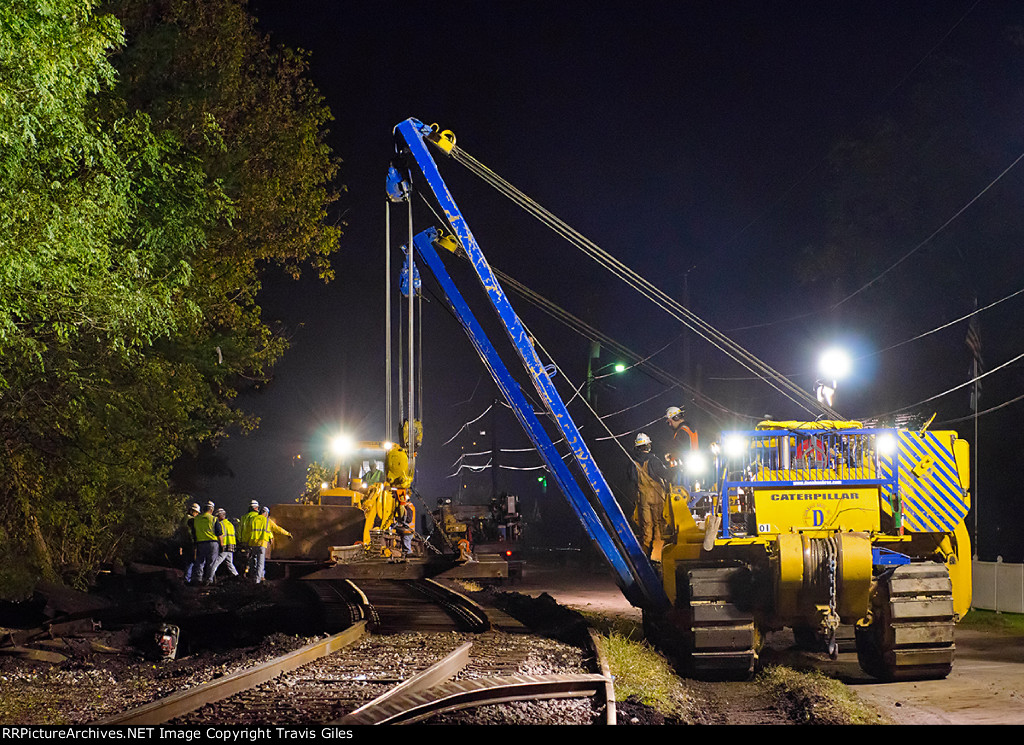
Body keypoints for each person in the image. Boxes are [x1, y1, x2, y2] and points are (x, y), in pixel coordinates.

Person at [626, 432, 670, 561]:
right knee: (659, 526)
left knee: (646, 527)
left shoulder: (633, 463)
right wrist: (676, 468)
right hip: (657, 496)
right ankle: (657, 558)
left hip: (643, 498)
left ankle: (645, 557)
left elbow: (632, 479)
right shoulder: (654, 460)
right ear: (648, 446)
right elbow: (665, 474)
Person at [664, 406, 699, 485]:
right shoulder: (689, 429)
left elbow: (682, 449)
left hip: (683, 471)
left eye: (670, 421)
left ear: (676, 418)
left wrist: (671, 456)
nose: (670, 424)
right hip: (690, 469)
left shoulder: (682, 431)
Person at [190, 501, 220, 585]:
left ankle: (198, 579)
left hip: (200, 543)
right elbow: (219, 533)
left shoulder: (196, 519)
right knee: (211, 563)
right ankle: (208, 580)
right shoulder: (214, 519)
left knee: (199, 562)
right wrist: (222, 544)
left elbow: (193, 532)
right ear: (211, 509)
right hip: (212, 543)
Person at [210, 508, 239, 581]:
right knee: (229, 564)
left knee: (215, 563)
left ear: (220, 516)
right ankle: (237, 577)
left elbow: (219, 535)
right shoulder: (230, 524)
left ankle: (209, 579)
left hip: (224, 547)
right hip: (231, 546)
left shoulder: (220, 524)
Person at [236, 500, 260, 580]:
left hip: (244, 542)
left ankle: (243, 575)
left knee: (244, 559)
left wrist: (240, 540)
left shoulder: (243, 517)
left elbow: (239, 530)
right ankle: (253, 576)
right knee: (254, 559)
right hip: (254, 541)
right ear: (256, 508)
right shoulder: (258, 517)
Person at [182, 503, 200, 584]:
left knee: (188, 561)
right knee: (191, 561)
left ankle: (187, 577)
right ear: (192, 511)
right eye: (196, 512)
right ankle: (188, 579)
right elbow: (189, 532)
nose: (197, 514)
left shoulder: (184, 518)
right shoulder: (190, 519)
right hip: (190, 543)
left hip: (185, 542)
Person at [394, 491, 416, 556]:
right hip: (408, 530)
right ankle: (406, 554)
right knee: (406, 543)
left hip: (408, 530)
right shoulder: (410, 506)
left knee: (406, 545)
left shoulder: (408, 507)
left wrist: (402, 522)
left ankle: (409, 554)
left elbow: (408, 519)